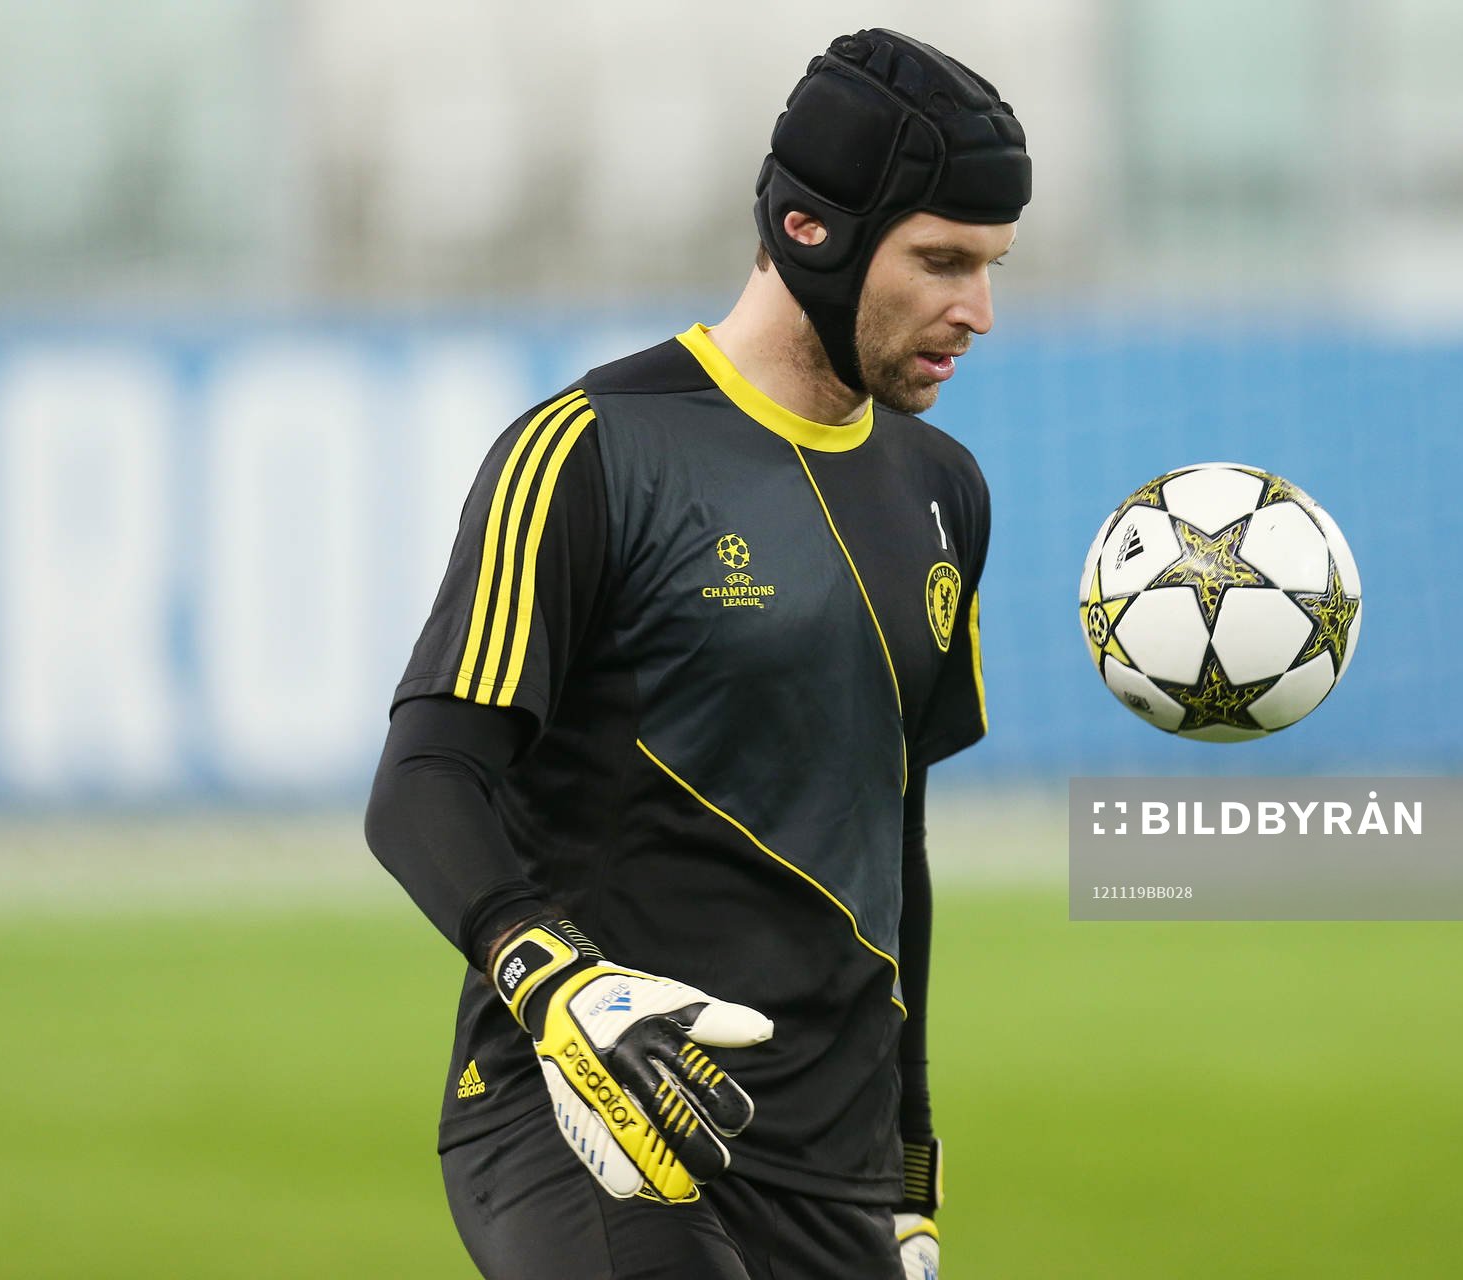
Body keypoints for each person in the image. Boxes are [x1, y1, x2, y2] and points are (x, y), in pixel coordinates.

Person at [365, 27, 1029, 1279]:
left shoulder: (946, 492)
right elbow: (426, 777)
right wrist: (555, 980)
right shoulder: (589, 450)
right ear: (813, 234)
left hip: (830, 1172)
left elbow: (891, 848)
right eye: (942, 259)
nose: (978, 310)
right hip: (592, 1118)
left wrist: (910, 1166)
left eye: (993, 266)